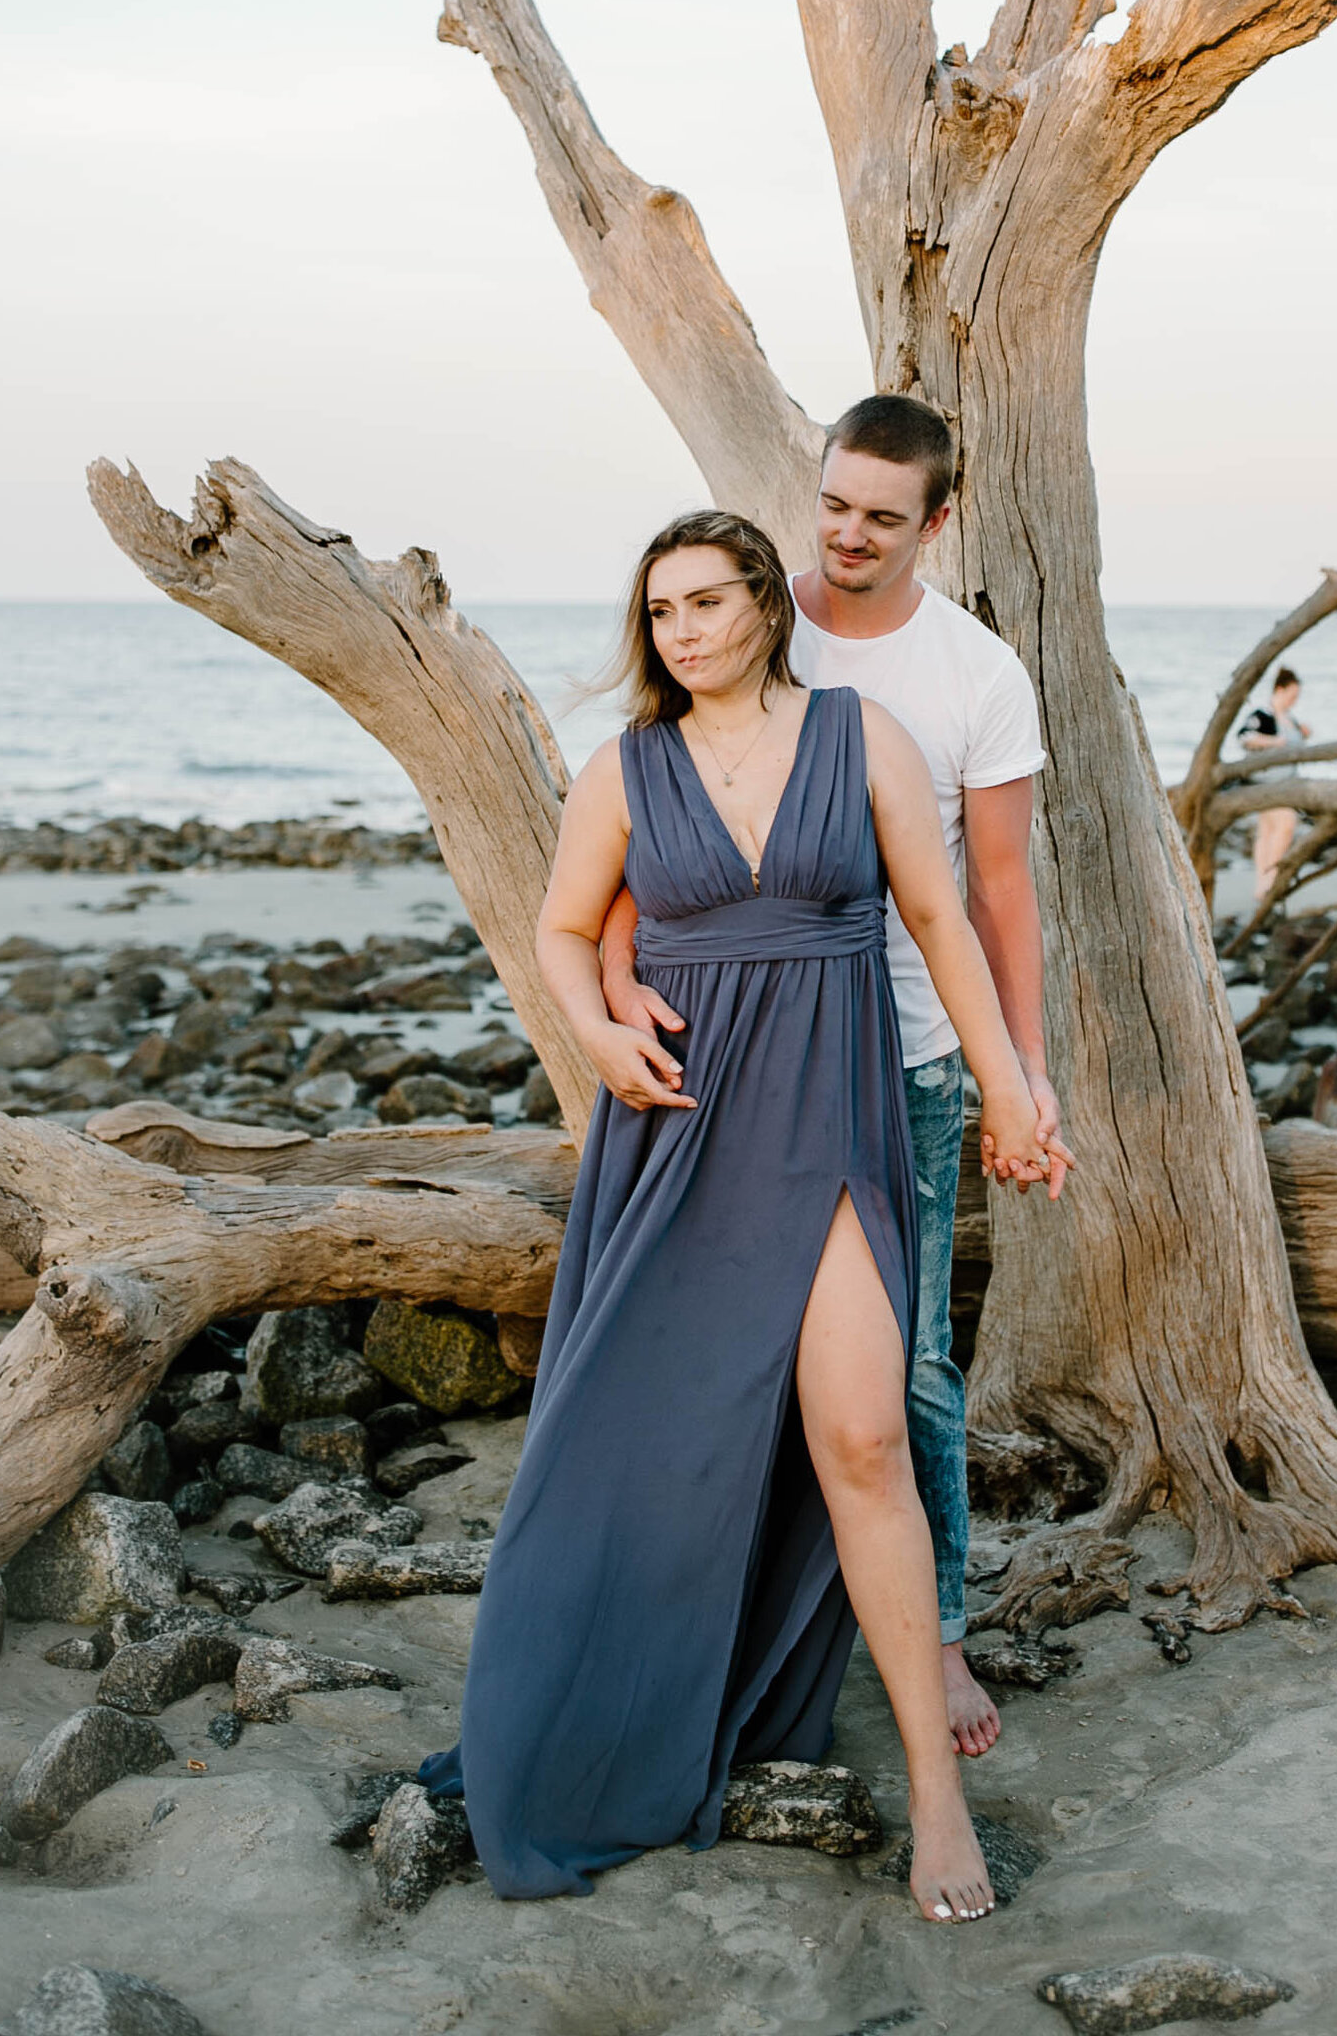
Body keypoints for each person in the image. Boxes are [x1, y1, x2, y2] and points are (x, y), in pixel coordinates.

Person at [420, 509, 1061, 1921]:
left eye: (710, 602)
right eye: (662, 612)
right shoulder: (626, 769)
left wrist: (1015, 1091)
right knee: (633, 1436)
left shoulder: (865, 739)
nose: (686, 631)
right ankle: (600, 1703)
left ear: (768, 607)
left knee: (862, 1430)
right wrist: (593, 1026)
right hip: (682, 1131)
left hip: (834, 1124)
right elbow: (561, 929)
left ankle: (937, 1802)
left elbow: (944, 924)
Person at [604, 394, 1070, 1762]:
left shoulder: (976, 677)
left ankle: (934, 1626)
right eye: (835, 505)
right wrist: (619, 975)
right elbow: (654, 813)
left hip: (907, 1061)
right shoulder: (744, 619)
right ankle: (740, 1613)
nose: (850, 534)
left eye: (883, 514)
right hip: (729, 1059)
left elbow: (994, 894)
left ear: (938, 521)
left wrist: (1018, 1078)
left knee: (910, 1368)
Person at [1239, 665, 1311, 901]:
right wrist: (1273, 742)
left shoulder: (1291, 719)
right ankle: (1270, 877)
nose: (1295, 700)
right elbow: (1245, 737)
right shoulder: (1263, 715)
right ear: (1280, 690)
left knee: (1268, 831)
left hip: (1287, 783)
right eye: (1292, 695)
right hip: (1267, 784)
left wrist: (1304, 734)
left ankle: (1262, 883)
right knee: (1285, 825)